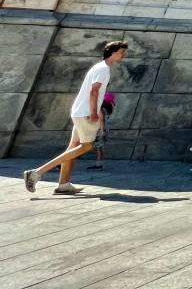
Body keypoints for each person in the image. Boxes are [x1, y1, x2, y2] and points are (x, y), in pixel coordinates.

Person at [24, 40, 128, 195]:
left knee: (72, 148)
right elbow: (94, 91)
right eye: (121, 52)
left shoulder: (99, 67)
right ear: (113, 52)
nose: (123, 55)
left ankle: (63, 184)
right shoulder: (103, 69)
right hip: (86, 113)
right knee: (86, 146)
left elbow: (94, 92)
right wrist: (94, 113)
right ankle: (36, 173)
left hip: (80, 111)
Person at [87, 92, 116, 171]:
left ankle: (98, 165)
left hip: (99, 130)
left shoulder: (100, 109)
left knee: (97, 148)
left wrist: (101, 131)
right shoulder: (108, 109)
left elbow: (101, 120)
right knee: (100, 147)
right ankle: (100, 163)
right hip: (105, 130)